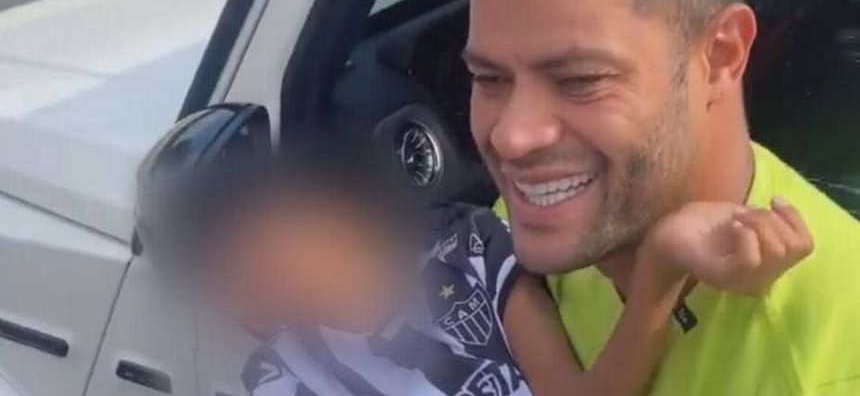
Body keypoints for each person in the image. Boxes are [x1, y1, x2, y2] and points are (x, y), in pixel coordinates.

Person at [458, 0, 860, 394]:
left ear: (722, 54)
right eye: (489, 78)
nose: (512, 137)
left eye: (581, 80)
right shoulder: (549, 209)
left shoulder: (828, 367)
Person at [173, 149, 810, 396]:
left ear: (324, 214)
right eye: (231, 283)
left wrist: (660, 267)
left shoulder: (468, 251)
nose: (252, 295)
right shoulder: (284, 372)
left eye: (264, 253)